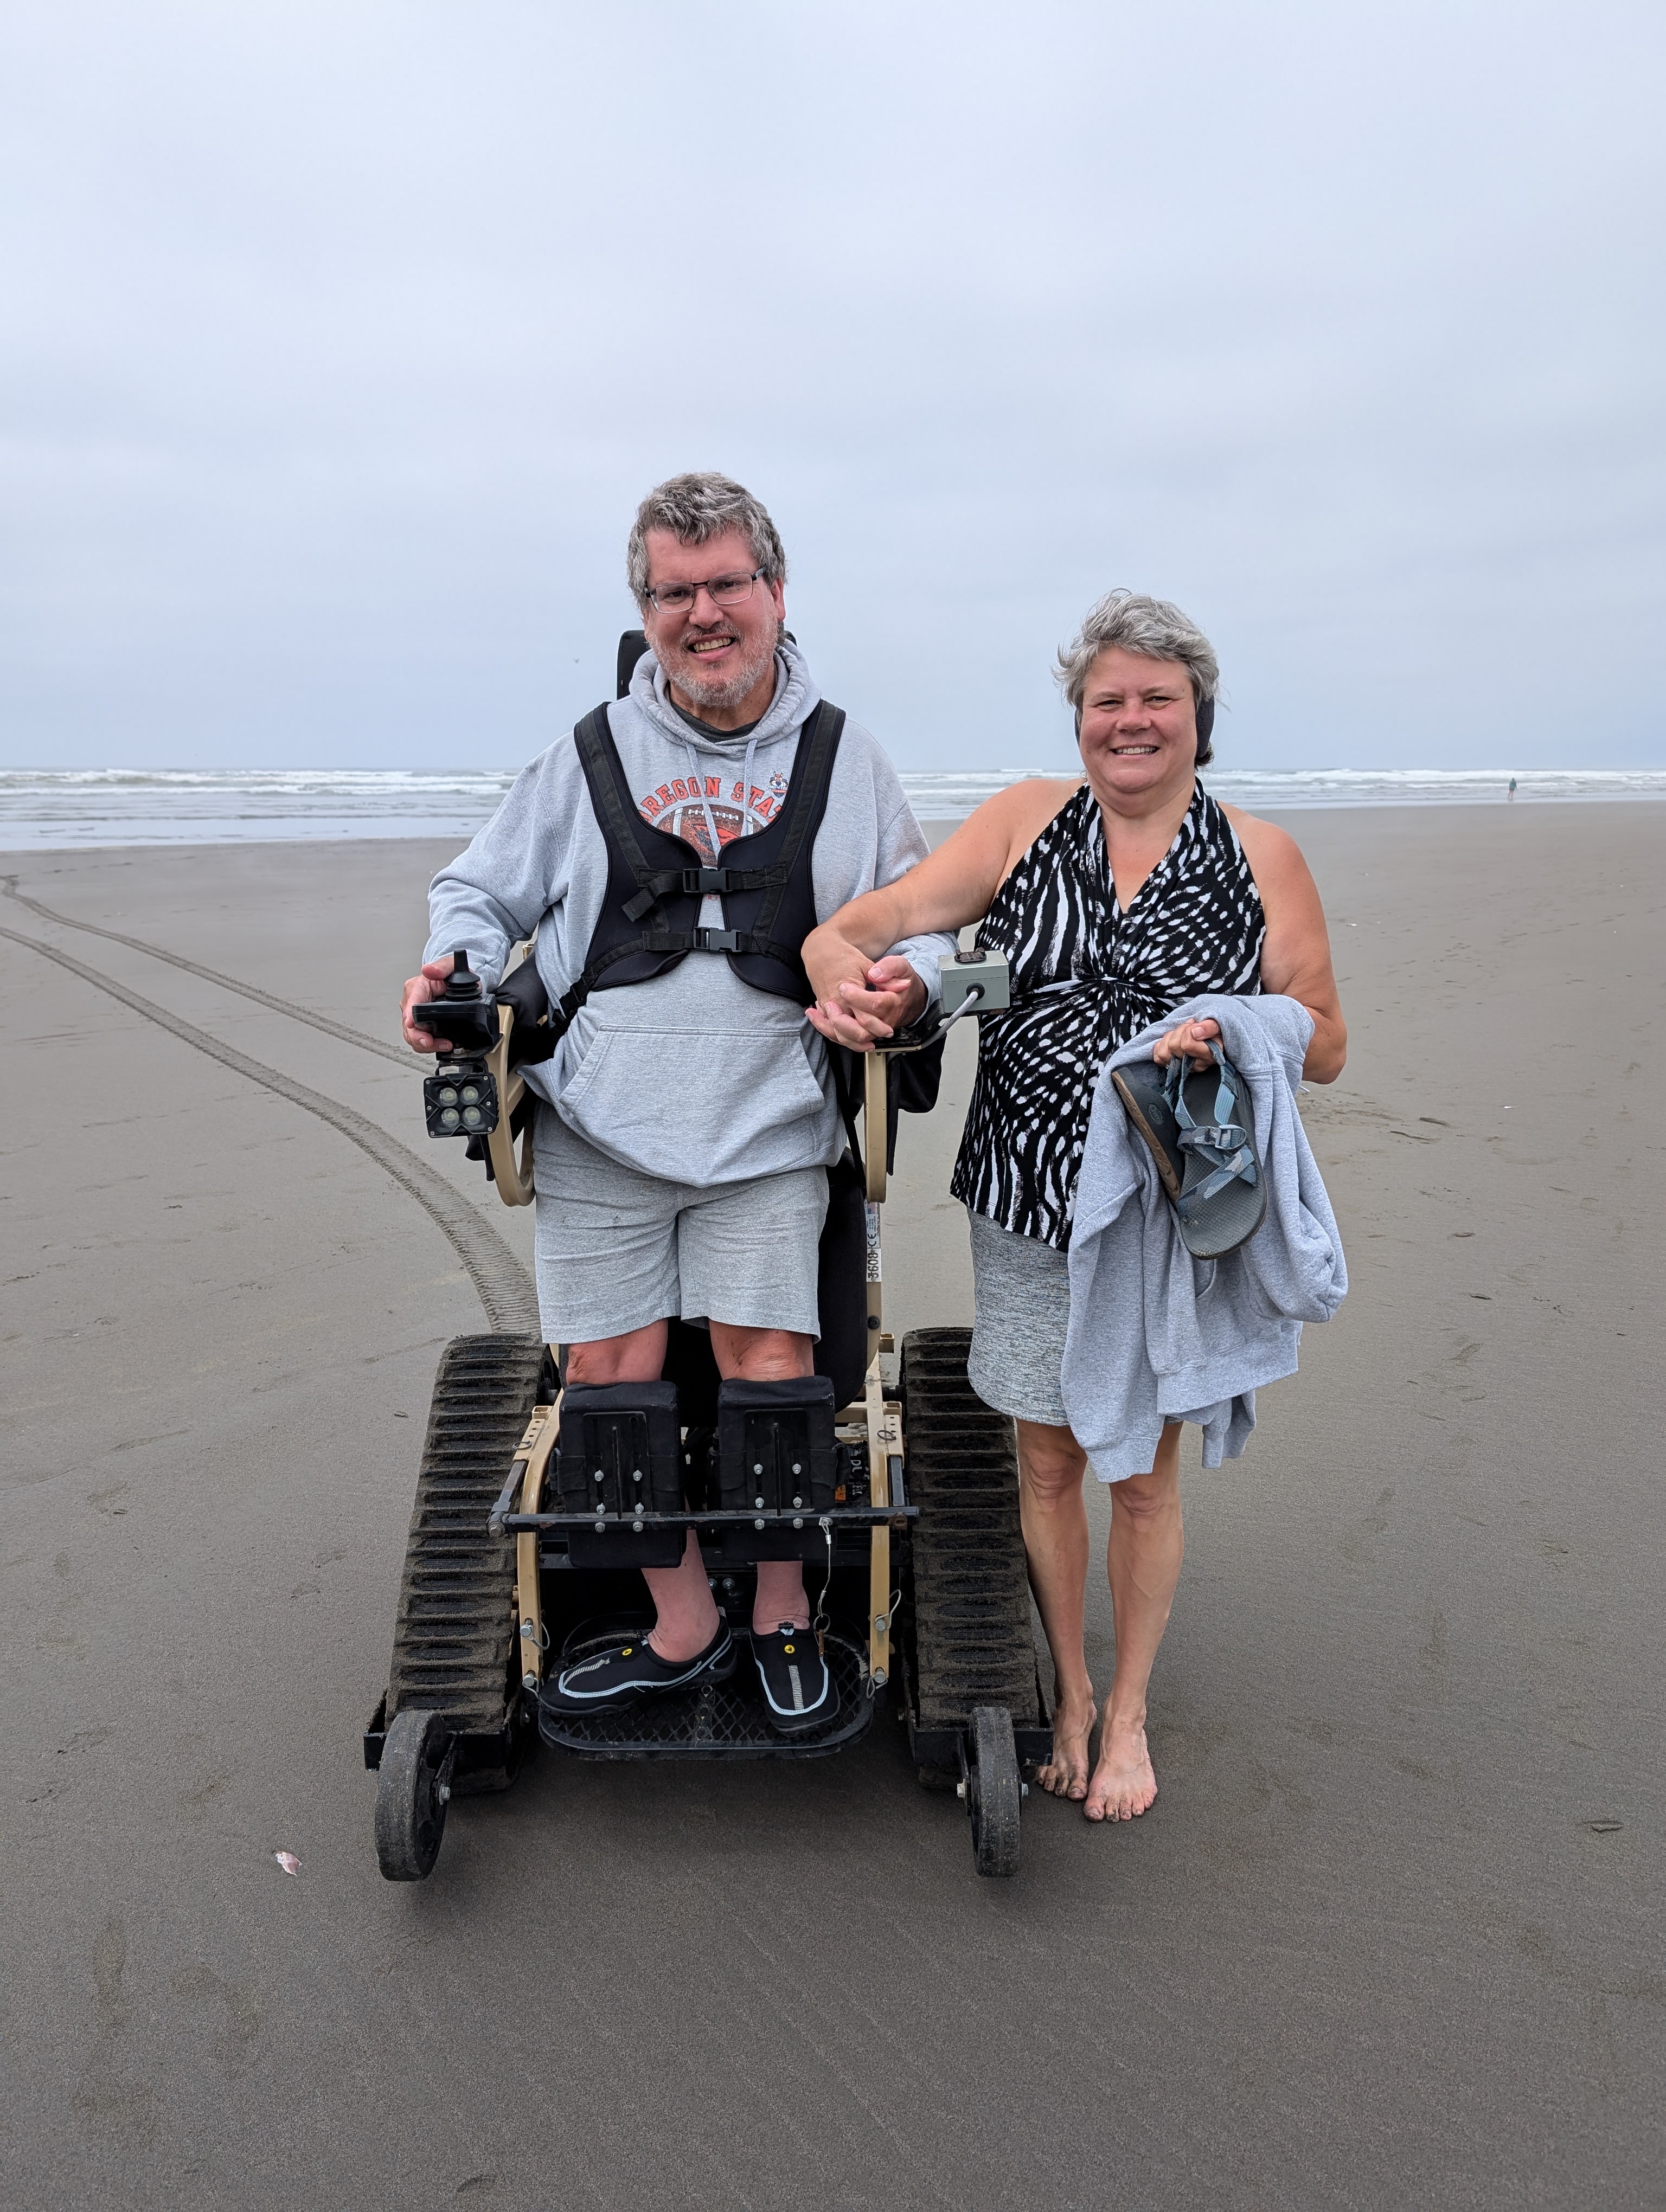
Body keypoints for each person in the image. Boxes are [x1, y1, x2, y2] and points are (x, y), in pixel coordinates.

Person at [401, 472, 952, 1732]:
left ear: (774, 590)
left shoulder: (845, 758)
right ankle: (682, 1620)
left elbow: (917, 915)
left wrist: (903, 988)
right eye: (675, 593)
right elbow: (476, 896)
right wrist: (451, 969)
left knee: (775, 1370)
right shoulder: (585, 755)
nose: (704, 614)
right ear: (646, 607)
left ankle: (779, 1615)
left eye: (726, 587)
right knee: (607, 1377)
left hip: (768, 1129)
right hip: (602, 1126)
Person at [803, 589, 1347, 1819]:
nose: (1131, 721)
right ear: (1080, 718)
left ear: (1200, 714)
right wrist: (847, 963)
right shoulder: (1020, 824)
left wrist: (1243, 1025)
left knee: (1145, 1473)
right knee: (1045, 1458)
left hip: (1167, 1207)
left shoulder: (1260, 856)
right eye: (1108, 700)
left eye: (1157, 699)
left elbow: (1325, 1038)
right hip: (1027, 1194)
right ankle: (1072, 1692)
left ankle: (1134, 1708)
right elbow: (884, 920)